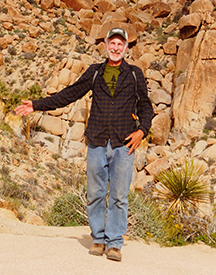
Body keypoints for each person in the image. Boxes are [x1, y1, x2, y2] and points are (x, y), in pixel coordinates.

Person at [15, 26, 153, 262]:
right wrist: (37, 105)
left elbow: (146, 108)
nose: (116, 47)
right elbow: (70, 94)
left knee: (120, 196)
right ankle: (98, 239)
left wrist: (142, 130)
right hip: (97, 141)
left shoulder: (134, 74)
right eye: (113, 43)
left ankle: (115, 243)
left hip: (124, 144)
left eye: (121, 44)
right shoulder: (95, 72)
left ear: (127, 48)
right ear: (106, 45)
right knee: (95, 193)